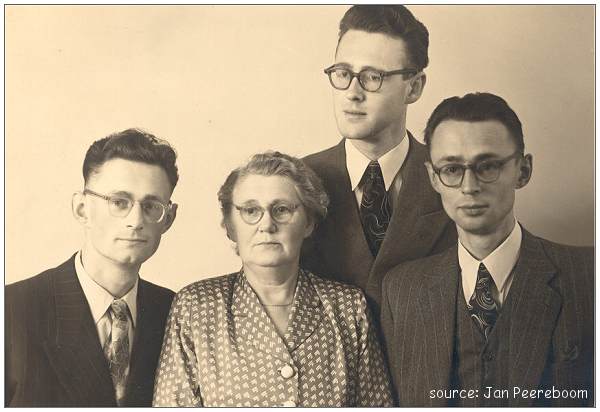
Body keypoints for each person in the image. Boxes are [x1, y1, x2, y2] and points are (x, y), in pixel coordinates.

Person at [381, 93, 594, 406]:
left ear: (523, 170)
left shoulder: (589, 275)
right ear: (433, 178)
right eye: (452, 169)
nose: (469, 187)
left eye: (487, 166)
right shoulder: (401, 291)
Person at [153, 151, 392, 407]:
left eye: (281, 209)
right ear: (230, 225)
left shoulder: (348, 307)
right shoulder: (196, 307)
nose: (266, 224)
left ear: (309, 222)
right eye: (251, 210)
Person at [5, 129, 179, 406]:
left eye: (151, 206)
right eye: (119, 202)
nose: (135, 220)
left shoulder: (177, 312)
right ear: (82, 208)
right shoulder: (13, 309)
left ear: (168, 219)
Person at [302, 5, 456, 314]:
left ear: (413, 87)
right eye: (343, 74)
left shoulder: (454, 178)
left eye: (372, 77)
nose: (352, 93)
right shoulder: (298, 181)